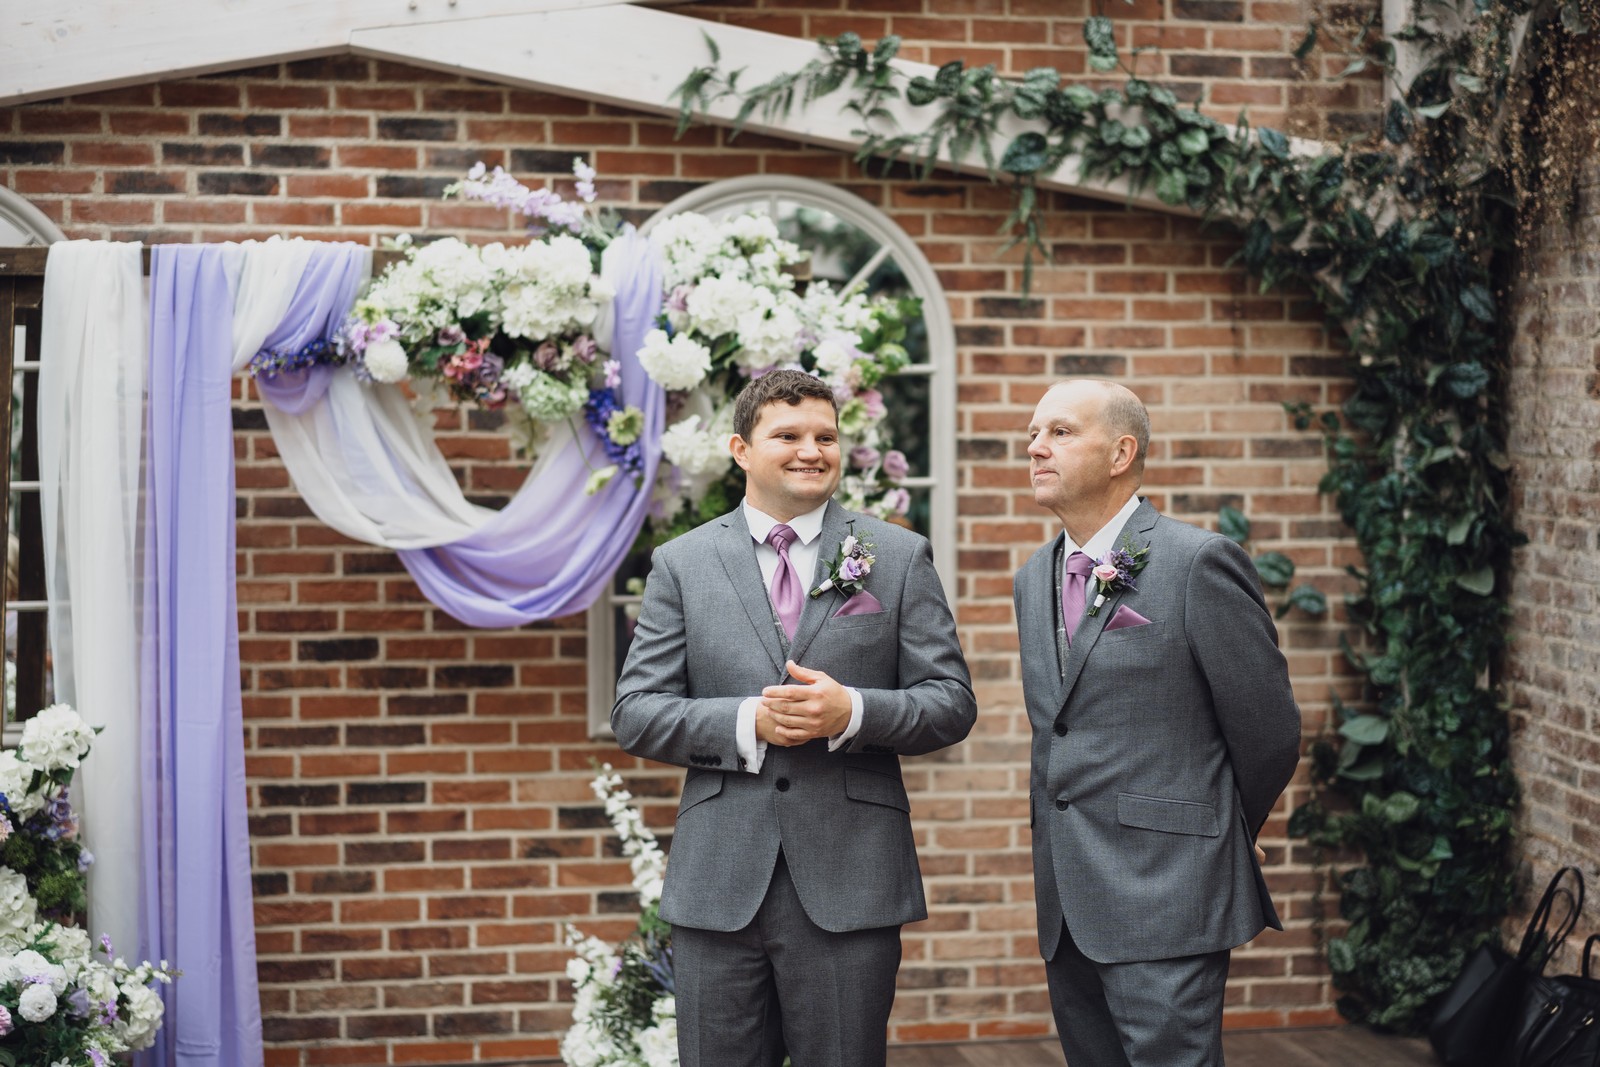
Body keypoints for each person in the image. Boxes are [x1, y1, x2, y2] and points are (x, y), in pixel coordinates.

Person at [613, 368, 976, 1067]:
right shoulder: (683, 564)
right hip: (719, 880)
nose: (812, 451)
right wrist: (746, 720)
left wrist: (853, 711)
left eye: (826, 437)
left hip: (852, 877)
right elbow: (636, 713)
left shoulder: (898, 557)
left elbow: (951, 701)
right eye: (788, 436)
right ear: (741, 449)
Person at [1014, 379, 1301, 1067]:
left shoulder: (1197, 562)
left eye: (1059, 432)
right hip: (1067, 897)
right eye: (1033, 434)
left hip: (1169, 887)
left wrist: (1228, 829)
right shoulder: (1033, 576)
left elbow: (1269, 730)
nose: (1036, 447)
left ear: (1121, 453)